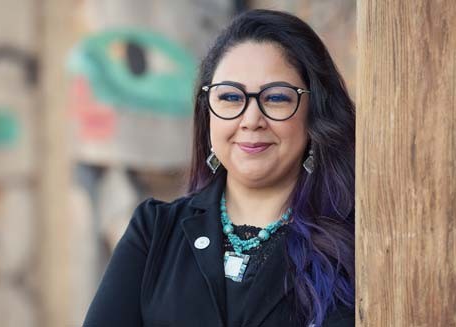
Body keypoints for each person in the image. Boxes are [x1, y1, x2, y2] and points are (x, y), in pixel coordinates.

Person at [83, 9, 355, 327]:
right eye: (229, 97)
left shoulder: (354, 242)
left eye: (277, 98)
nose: (251, 119)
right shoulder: (154, 232)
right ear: (207, 112)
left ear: (314, 113)